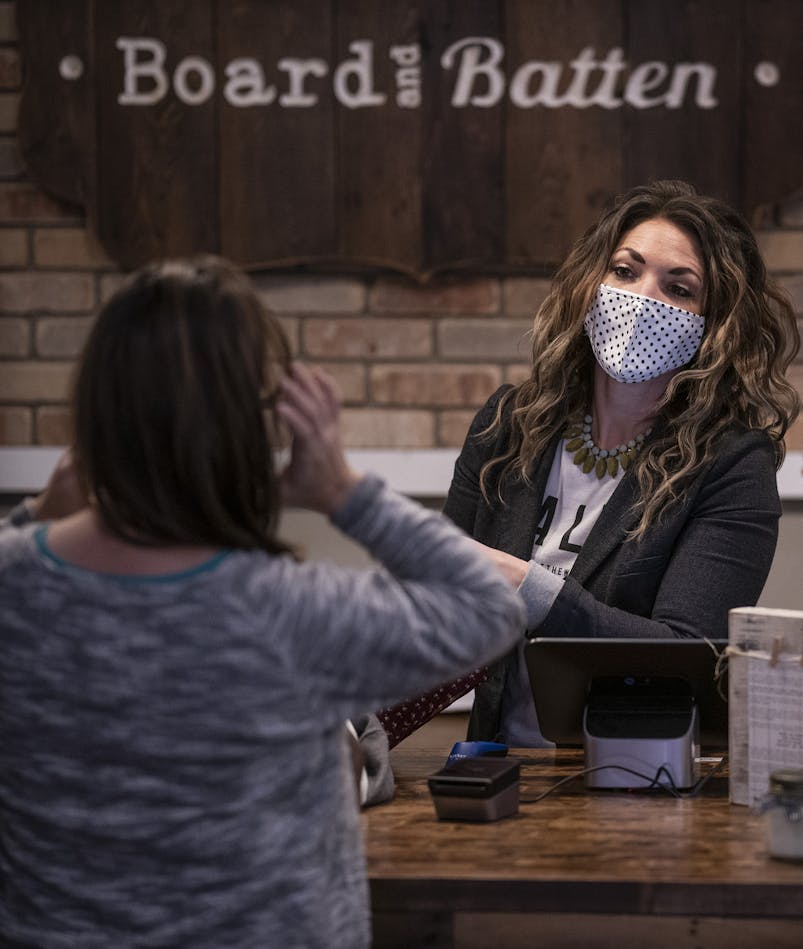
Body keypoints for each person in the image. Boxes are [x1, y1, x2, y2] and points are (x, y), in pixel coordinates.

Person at [0, 257, 526, 947]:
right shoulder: (288, 611)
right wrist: (343, 489)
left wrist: (34, 514)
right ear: (252, 430)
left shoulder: (14, 584)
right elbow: (492, 604)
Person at [378, 179, 801, 748]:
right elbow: (435, 612)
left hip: (629, 780)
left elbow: (688, 653)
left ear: (715, 325)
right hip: (497, 767)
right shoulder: (511, 424)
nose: (643, 299)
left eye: (679, 288)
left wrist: (523, 583)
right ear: (590, 284)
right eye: (625, 272)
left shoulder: (732, 464)